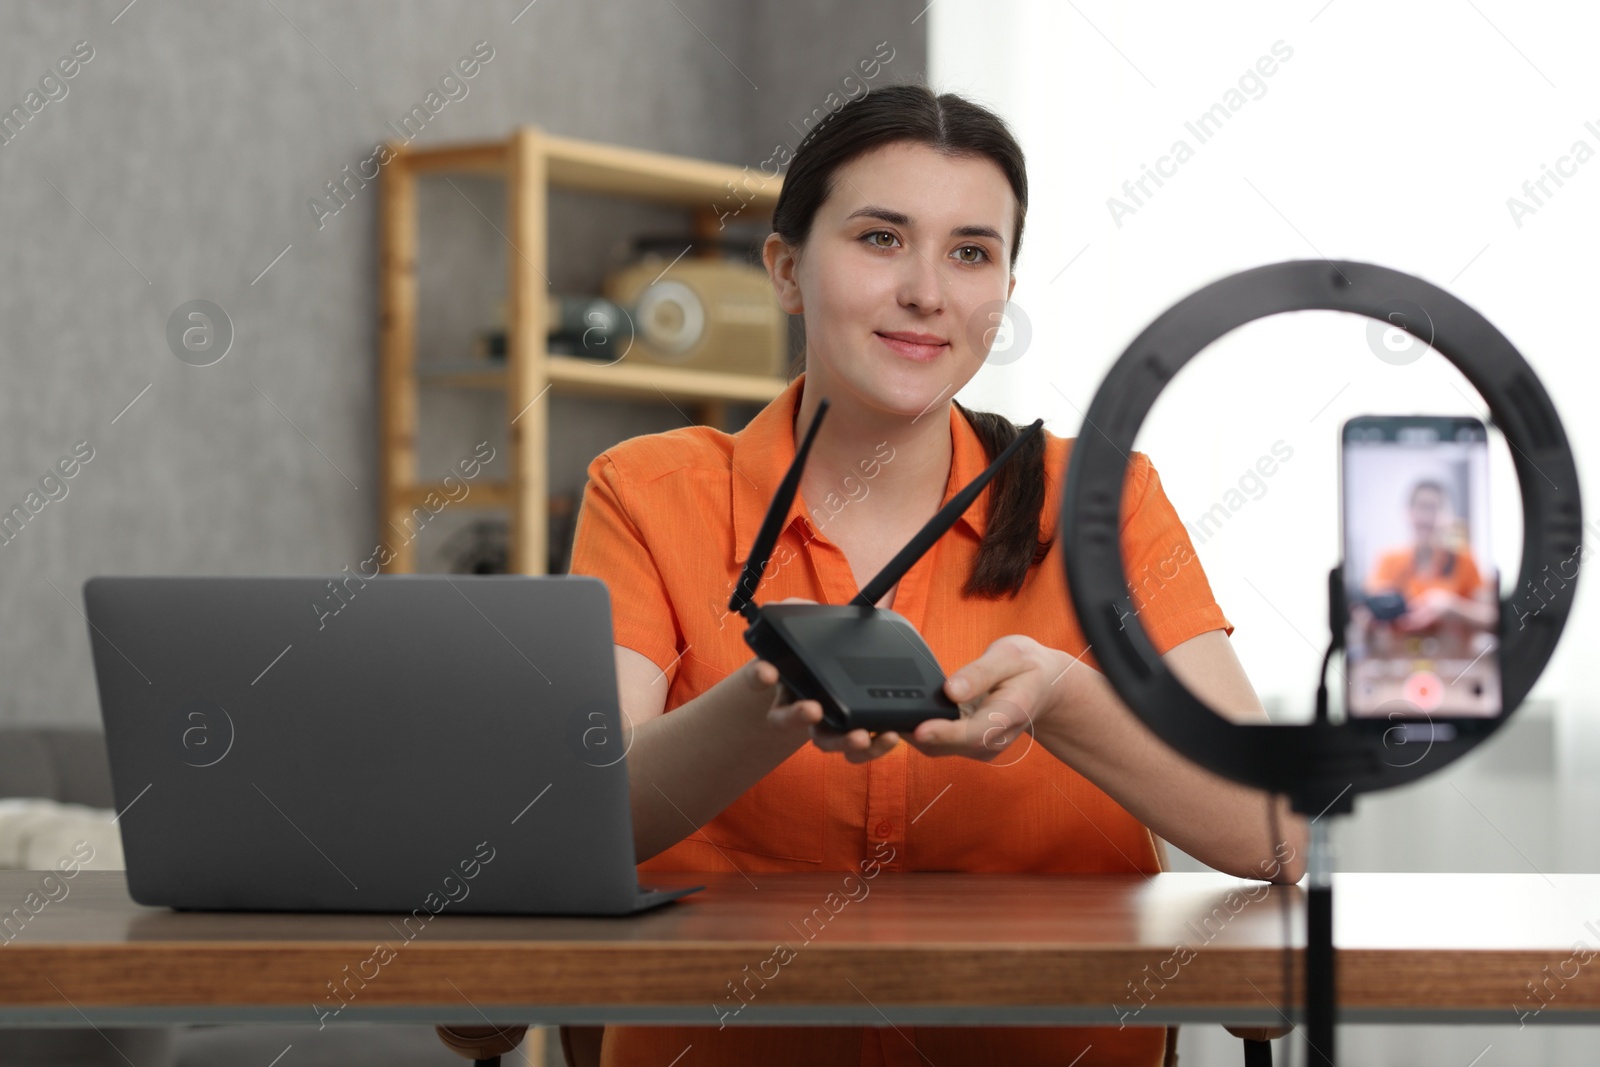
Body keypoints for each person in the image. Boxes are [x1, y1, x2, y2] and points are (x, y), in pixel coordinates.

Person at [566, 82, 1307, 1067]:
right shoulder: (649, 492)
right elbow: (582, 824)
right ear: (785, 269)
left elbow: (1276, 836)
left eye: (971, 251)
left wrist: (1061, 696)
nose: (928, 290)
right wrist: (762, 705)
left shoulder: (1098, 501)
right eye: (880, 238)